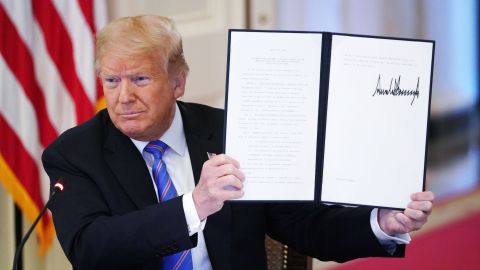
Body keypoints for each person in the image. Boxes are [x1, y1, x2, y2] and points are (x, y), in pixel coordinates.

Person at [42, 15, 434, 270]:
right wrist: (194, 206)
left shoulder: (234, 133)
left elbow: (303, 225)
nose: (123, 96)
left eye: (140, 79)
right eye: (112, 81)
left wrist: (381, 223)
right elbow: (90, 249)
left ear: (178, 81)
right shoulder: (75, 154)